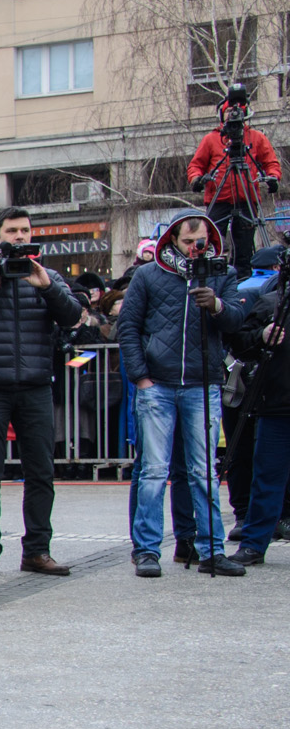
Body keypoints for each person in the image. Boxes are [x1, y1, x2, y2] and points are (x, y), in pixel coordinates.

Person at [116, 210, 249, 577]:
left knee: (203, 471)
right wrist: (141, 377)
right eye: (188, 242)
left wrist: (217, 306)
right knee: (154, 471)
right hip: (158, 384)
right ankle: (146, 550)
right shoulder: (147, 275)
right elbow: (127, 328)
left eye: (200, 242)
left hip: (200, 383)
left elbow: (237, 321)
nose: (194, 249)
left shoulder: (222, 274)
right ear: (174, 238)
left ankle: (212, 550)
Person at [0, 207, 86, 577]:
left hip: (35, 385)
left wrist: (47, 287)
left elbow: (72, 317)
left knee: (41, 472)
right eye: (11, 231)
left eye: (24, 230)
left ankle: (37, 550)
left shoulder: (47, 275)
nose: (19, 237)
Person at [228, 263, 290, 564]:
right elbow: (241, 345)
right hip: (277, 406)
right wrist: (262, 336)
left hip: (276, 404)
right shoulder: (271, 304)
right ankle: (254, 543)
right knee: (266, 478)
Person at [187, 83, 281, 270]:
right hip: (219, 198)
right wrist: (196, 179)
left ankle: (243, 277)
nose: (232, 114)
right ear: (222, 114)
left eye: (236, 110)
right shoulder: (211, 139)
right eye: (228, 110)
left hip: (247, 198)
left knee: (245, 247)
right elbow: (195, 165)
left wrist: (273, 177)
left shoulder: (256, 138)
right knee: (211, 242)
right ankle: (211, 275)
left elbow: (271, 162)